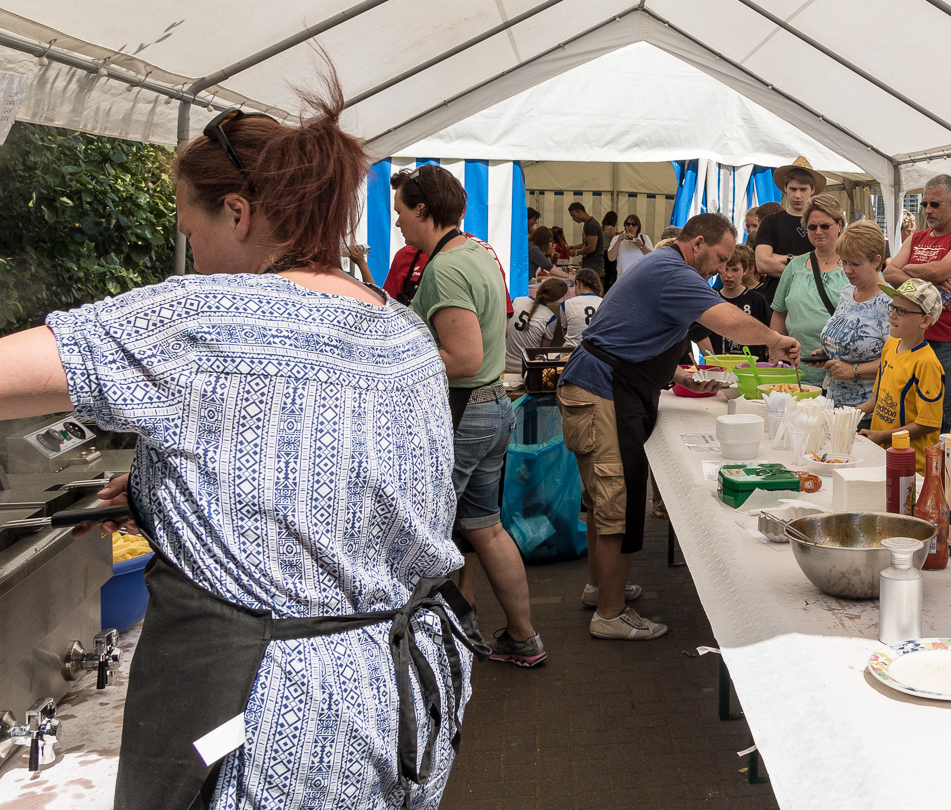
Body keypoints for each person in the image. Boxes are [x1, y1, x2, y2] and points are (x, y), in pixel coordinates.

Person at [0, 89, 482, 807]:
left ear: (237, 212)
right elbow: (338, 480)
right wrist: (159, 493)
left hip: (278, 717)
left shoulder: (203, 315)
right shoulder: (402, 332)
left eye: (190, 229)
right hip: (399, 695)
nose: (191, 254)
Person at [558, 213, 800, 640]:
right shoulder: (671, 268)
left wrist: (680, 376)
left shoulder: (663, 265)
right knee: (619, 499)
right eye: (721, 258)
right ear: (698, 243)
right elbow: (725, 320)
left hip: (604, 385)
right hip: (602, 389)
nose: (722, 269)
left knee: (604, 500)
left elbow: (641, 333)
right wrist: (774, 340)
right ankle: (610, 615)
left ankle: (601, 588)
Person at [394, 165, 546, 666]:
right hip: (492, 407)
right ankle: (523, 639)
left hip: (463, 413)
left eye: (400, 213)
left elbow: (462, 356)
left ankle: (422, 653)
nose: (397, 223)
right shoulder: (477, 252)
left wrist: (397, 359)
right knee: (485, 527)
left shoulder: (445, 267)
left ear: (423, 210)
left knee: (422, 534)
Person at [883, 174, 951, 432]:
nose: (927, 210)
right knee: (904, 416)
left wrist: (912, 268)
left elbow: (938, 271)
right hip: (909, 341)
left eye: (935, 204)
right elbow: (888, 273)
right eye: (925, 204)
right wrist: (929, 280)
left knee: (940, 424)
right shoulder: (917, 237)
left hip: (944, 342)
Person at [860, 278, 946, 473]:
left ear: (925, 321)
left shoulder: (927, 363)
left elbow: (927, 424)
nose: (892, 315)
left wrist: (883, 436)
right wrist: (852, 413)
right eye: (893, 307)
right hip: (882, 456)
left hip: (912, 466)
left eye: (902, 311)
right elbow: (880, 397)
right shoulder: (891, 344)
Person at [771, 195, 850, 387]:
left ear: (839, 224)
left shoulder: (854, 265)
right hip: (798, 371)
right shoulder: (795, 266)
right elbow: (779, 313)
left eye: (825, 226)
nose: (818, 231)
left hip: (843, 373)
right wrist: (775, 353)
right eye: (812, 227)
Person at [818, 221, 891, 409]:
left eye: (855, 263)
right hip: (833, 403)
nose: (847, 270)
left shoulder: (889, 303)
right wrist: (828, 353)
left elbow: (898, 362)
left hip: (867, 409)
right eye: (844, 262)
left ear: (876, 260)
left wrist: (854, 370)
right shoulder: (847, 292)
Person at [753, 158, 826, 301]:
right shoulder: (771, 221)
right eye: (793, 189)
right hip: (777, 297)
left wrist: (781, 258)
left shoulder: (823, 223)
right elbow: (762, 264)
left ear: (812, 190)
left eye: (803, 189)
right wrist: (805, 270)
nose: (797, 195)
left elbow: (829, 260)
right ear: (785, 189)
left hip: (814, 299)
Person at [690, 244, 771, 360]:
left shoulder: (757, 300)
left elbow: (769, 332)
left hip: (752, 367)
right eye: (725, 269)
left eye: (735, 270)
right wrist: (714, 361)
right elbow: (699, 334)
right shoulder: (711, 301)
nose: (729, 275)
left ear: (745, 270)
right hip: (721, 367)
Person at [506, 277, 570, 385]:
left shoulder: (517, 300)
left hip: (503, 367)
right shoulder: (550, 318)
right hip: (526, 370)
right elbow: (542, 351)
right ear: (556, 300)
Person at [561, 268, 605, 348]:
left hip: (571, 353)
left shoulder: (566, 304)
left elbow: (566, 332)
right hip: (598, 353)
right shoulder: (605, 303)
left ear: (578, 283)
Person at [607, 213, 654, 282]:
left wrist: (641, 246)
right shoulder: (617, 238)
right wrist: (619, 241)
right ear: (625, 226)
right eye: (628, 224)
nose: (630, 227)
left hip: (640, 279)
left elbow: (652, 258)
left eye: (634, 224)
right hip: (622, 279)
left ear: (638, 227)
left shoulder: (644, 238)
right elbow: (611, 258)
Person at [567, 202, 604, 273]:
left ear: (580, 212)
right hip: (591, 262)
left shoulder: (591, 226)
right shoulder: (588, 224)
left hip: (593, 262)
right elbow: (587, 243)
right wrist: (576, 247)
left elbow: (591, 247)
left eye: (573, 216)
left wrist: (576, 252)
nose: (573, 219)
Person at [600, 210, 619, 288]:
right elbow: (614, 239)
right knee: (613, 272)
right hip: (610, 251)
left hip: (603, 251)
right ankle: (610, 288)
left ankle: (605, 288)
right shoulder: (611, 228)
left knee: (607, 273)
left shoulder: (602, 228)